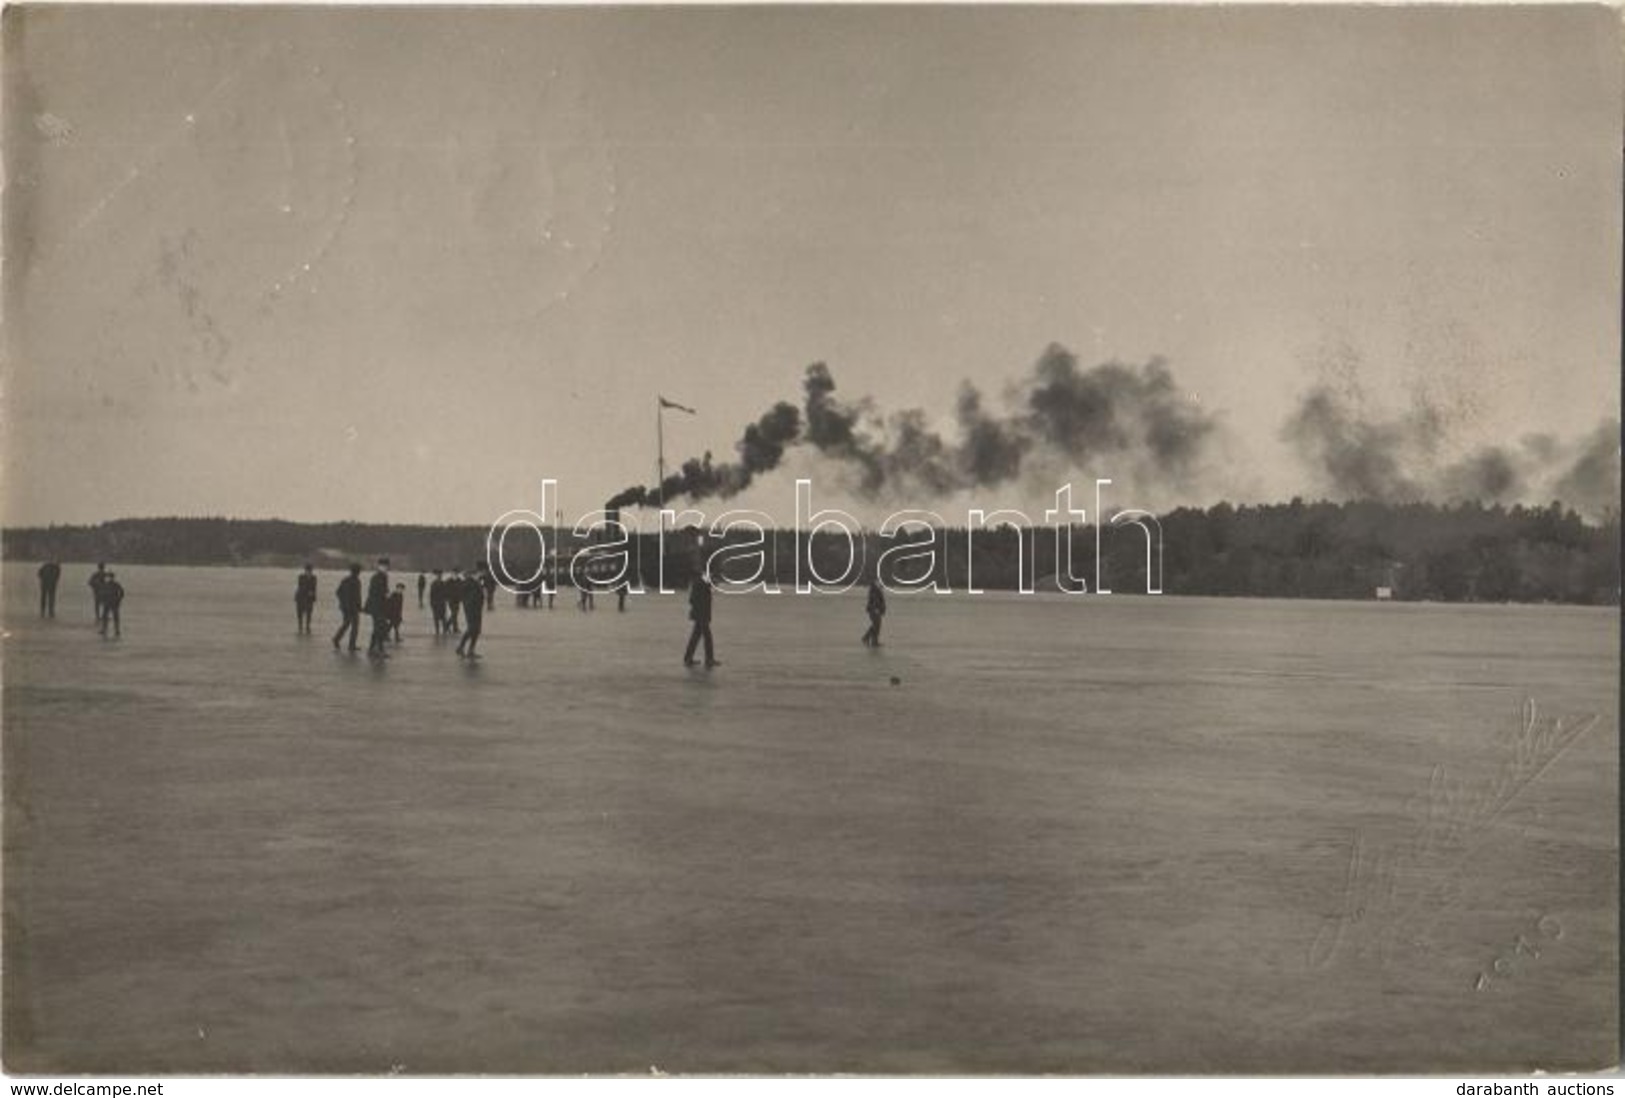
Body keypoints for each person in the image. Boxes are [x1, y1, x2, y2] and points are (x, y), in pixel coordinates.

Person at [683, 570, 719, 668]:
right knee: (707, 636)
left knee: (696, 636)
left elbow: (693, 599)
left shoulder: (700, 583)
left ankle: (688, 658)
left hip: (701, 614)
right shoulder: (700, 584)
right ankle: (709, 659)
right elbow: (693, 599)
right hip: (702, 614)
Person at [456, 562, 487, 658]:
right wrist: (469, 604)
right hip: (471, 609)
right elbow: (464, 595)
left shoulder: (478, 581)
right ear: (480, 571)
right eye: (484, 571)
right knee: (471, 628)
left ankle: (471, 650)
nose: (485, 574)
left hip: (477, 609)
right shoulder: (469, 582)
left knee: (477, 630)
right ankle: (461, 647)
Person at [364, 557, 392, 658]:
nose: (385, 568)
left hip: (380, 606)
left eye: (386, 566)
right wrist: (385, 595)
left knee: (378, 628)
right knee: (379, 628)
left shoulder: (383, 576)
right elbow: (375, 592)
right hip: (377, 607)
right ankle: (378, 649)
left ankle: (373, 649)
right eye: (384, 566)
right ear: (379, 566)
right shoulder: (377, 577)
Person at [332, 563, 363, 651]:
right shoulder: (356, 581)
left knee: (346, 624)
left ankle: (337, 639)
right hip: (351, 608)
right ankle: (351, 645)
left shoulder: (346, 580)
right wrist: (356, 606)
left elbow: (338, 592)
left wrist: (343, 603)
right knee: (354, 626)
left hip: (346, 607)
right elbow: (356, 596)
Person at [861, 576, 887, 647]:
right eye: (878, 581)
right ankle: (867, 638)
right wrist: (876, 609)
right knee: (876, 625)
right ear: (875, 581)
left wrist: (881, 609)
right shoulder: (874, 589)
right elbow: (875, 600)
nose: (880, 582)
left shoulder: (877, 589)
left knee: (876, 626)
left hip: (876, 610)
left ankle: (872, 640)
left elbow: (880, 600)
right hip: (874, 610)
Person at [98, 572, 124, 637]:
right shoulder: (107, 584)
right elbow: (102, 593)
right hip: (108, 602)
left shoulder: (115, 584)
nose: (110, 578)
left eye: (111, 577)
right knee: (105, 616)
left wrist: (118, 600)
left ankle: (116, 630)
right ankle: (105, 629)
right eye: (109, 577)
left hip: (113, 602)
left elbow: (122, 592)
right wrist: (102, 600)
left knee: (115, 617)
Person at [295, 564, 318, 634]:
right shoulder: (301, 577)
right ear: (305, 570)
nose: (309, 572)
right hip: (300, 597)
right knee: (300, 613)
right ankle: (300, 627)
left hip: (309, 598)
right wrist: (308, 591)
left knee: (309, 613)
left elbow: (314, 587)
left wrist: (312, 594)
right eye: (308, 571)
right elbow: (300, 586)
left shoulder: (314, 578)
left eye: (310, 571)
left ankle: (307, 627)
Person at [428, 569, 447, 635]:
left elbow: (445, 593)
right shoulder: (433, 584)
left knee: (443, 618)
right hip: (436, 603)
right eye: (438, 575)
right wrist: (432, 603)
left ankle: (444, 630)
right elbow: (431, 594)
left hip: (441, 603)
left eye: (440, 575)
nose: (439, 576)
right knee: (436, 618)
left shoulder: (443, 583)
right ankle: (437, 630)